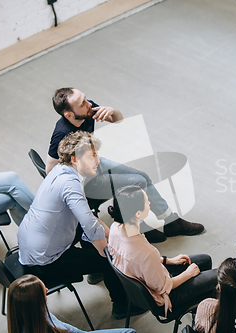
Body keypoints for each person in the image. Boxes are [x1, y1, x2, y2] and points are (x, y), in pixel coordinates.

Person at [45, 87, 204, 243]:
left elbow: (118, 119)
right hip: (84, 180)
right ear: (69, 115)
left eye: (85, 98)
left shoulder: (88, 109)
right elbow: (50, 170)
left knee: (142, 176)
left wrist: (111, 111)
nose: (88, 104)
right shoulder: (62, 133)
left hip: (95, 162)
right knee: (137, 182)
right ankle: (136, 226)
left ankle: (171, 221)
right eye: (82, 103)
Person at [17, 131, 143, 318]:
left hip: (31, 245)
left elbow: (87, 218)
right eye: (92, 156)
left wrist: (112, 235)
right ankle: (122, 306)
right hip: (44, 260)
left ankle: (97, 272)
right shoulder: (71, 183)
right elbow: (90, 226)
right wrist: (107, 249)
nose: (98, 160)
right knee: (108, 258)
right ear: (75, 159)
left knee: (102, 241)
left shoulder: (60, 170)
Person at [107, 185, 217, 316]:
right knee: (219, 276)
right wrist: (188, 274)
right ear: (138, 213)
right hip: (165, 297)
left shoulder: (115, 228)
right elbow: (165, 286)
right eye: (146, 201)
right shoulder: (146, 253)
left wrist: (168, 261)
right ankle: (203, 314)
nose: (149, 203)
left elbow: (137, 262)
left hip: (148, 279)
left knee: (205, 259)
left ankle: (199, 307)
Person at [7, 274, 136, 333]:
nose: (47, 290)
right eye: (44, 292)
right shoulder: (43, 321)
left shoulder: (29, 317)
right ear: (36, 301)